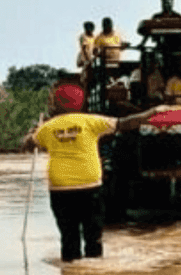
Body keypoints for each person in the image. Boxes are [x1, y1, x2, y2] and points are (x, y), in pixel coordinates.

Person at [26, 84, 156, 262]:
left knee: (68, 236)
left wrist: (32, 132)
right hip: (89, 185)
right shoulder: (91, 121)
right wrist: (151, 113)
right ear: (81, 103)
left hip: (60, 187)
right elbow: (125, 123)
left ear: (56, 104)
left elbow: (27, 144)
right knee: (93, 235)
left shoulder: (47, 128)